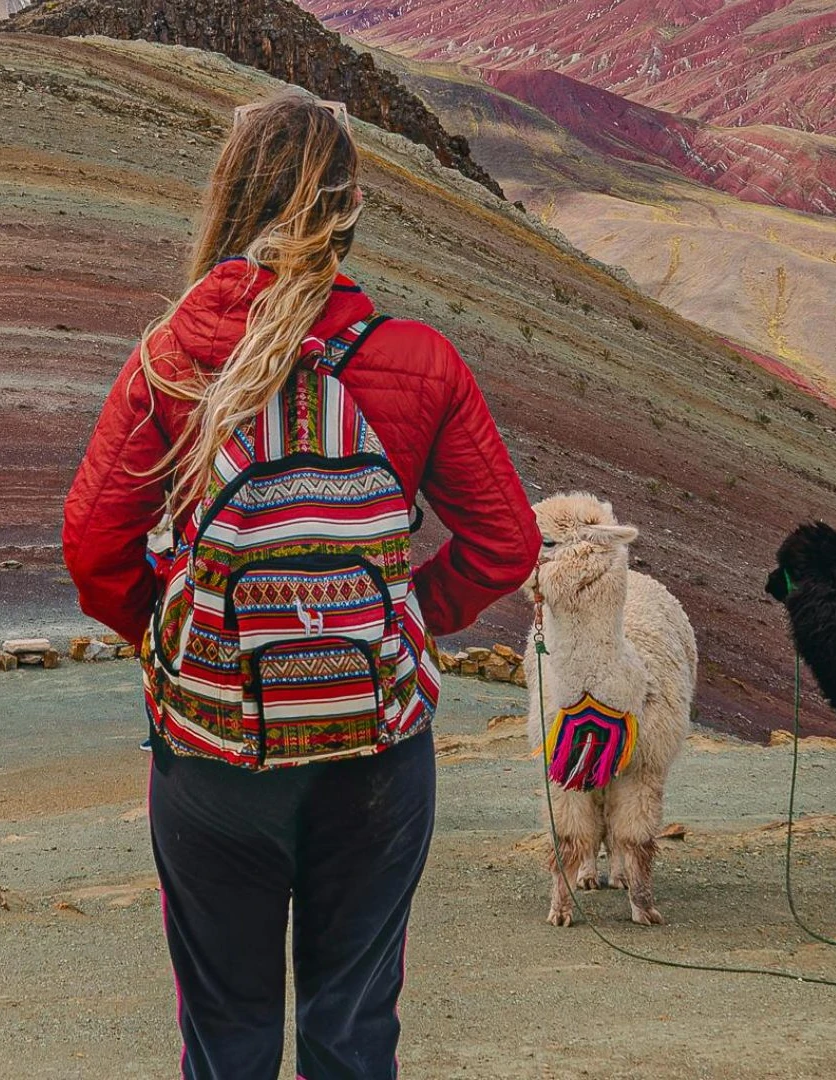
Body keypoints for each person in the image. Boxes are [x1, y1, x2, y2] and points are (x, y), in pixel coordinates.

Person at [62, 91, 540, 1080]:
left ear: (228, 200)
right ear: (350, 205)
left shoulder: (170, 359)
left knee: (227, 1034)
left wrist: (183, 634)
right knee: (350, 1031)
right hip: (375, 749)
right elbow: (505, 544)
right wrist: (398, 618)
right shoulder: (418, 360)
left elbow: (92, 549)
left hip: (213, 756)